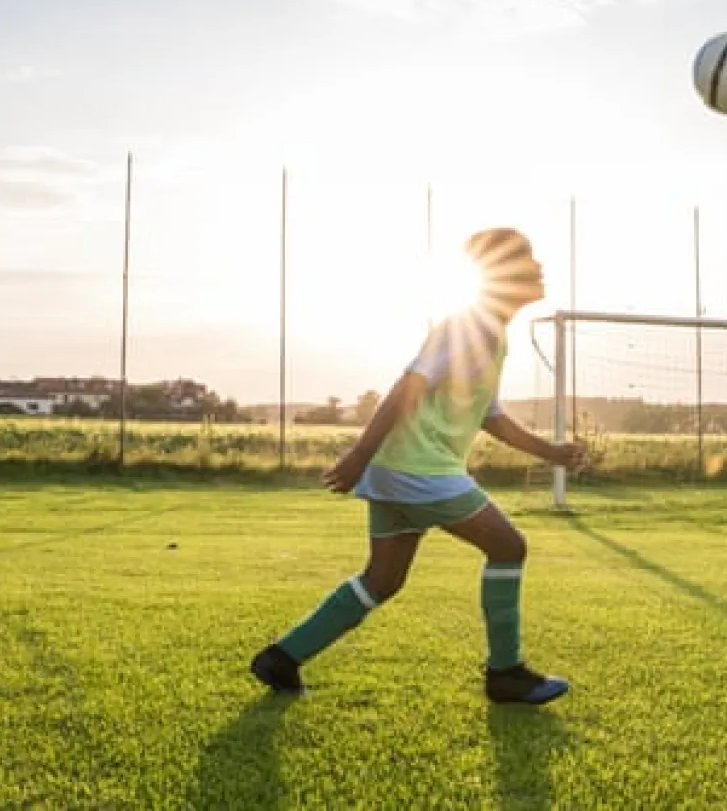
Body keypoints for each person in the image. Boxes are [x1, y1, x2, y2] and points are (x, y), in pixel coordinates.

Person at [250, 227, 586, 705]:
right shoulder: (466, 326)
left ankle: (282, 658)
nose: (540, 267)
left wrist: (549, 452)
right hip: (419, 469)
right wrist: (357, 456)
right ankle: (506, 673)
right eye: (528, 258)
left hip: (398, 472)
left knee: (382, 581)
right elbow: (407, 388)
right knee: (508, 547)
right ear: (503, 273)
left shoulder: (493, 336)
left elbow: (489, 414)